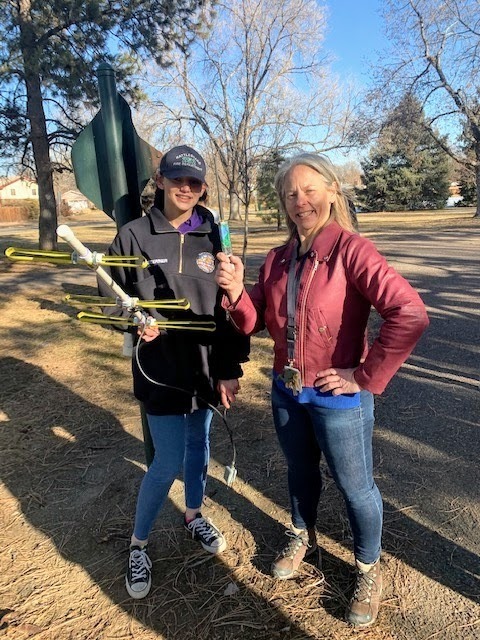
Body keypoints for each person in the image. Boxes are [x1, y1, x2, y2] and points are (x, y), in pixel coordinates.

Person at [215, 153, 429, 628]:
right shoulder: (277, 259)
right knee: (298, 469)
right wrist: (233, 293)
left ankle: (368, 569)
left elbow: (409, 313)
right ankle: (301, 534)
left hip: (339, 398)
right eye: (290, 193)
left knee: (356, 488)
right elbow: (255, 323)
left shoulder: (353, 251)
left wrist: (362, 375)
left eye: (310, 190)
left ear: (333, 191)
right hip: (287, 390)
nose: (300, 201)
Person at [99, 145, 249, 600]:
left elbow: (229, 311)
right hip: (160, 370)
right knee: (165, 461)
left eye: (195, 182)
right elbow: (109, 292)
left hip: (205, 369)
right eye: (177, 179)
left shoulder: (215, 236)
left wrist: (228, 369)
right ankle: (139, 544)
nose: (186, 188)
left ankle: (193, 513)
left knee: (200, 448)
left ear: (203, 187)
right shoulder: (134, 235)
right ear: (160, 180)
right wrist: (132, 319)